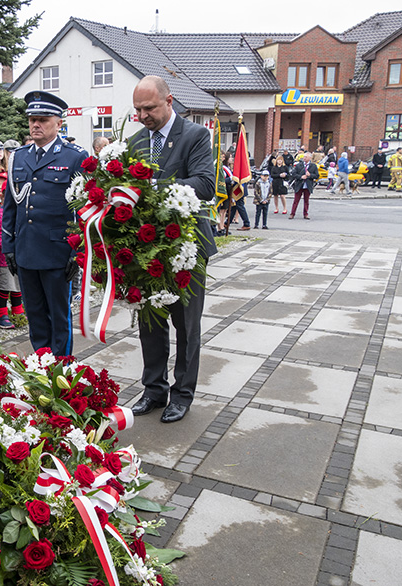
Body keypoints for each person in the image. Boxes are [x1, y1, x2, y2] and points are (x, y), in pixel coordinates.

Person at [127, 75, 217, 424]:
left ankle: (182, 395)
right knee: (150, 323)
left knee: (186, 325)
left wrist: (153, 186)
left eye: (149, 108)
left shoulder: (195, 135)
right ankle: (153, 389)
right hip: (148, 248)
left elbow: (205, 185)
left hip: (187, 247)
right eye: (137, 109)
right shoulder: (135, 141)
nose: (142, 116)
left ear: (169, 101)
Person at [3, 90, 88, 357]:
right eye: (32, 120)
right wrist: (8, 247)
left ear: (59, 123)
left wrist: (77, 253)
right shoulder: (18, 157)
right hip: (26, 249)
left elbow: (83, 210)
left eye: (43, 120)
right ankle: (41, 365)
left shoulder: (75, 157)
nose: (36, 125)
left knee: (59, 316)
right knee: (36, 315)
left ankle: (61, 368)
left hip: (57, 251)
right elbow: (10, 206)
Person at [0, 179, 23, 330]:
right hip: (3, 255)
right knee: (5, 285)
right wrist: (5, 244)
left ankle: (18, 311)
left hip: (19, 252)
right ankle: (1, 315)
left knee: (17, 284)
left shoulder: (20, 210)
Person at [289, 152, 319, 219]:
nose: (304, 158)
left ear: (310, 158)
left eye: (306, 157)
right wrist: (300, 177)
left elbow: (317, 175)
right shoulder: (299, 165)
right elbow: (293, 174)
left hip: (308, 185)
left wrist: (310, 175)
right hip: (299, 185)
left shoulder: (313, 166)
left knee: (306, 200)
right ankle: (292, 213)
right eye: (304, 157)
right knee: (296, 200)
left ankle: (305, 214)